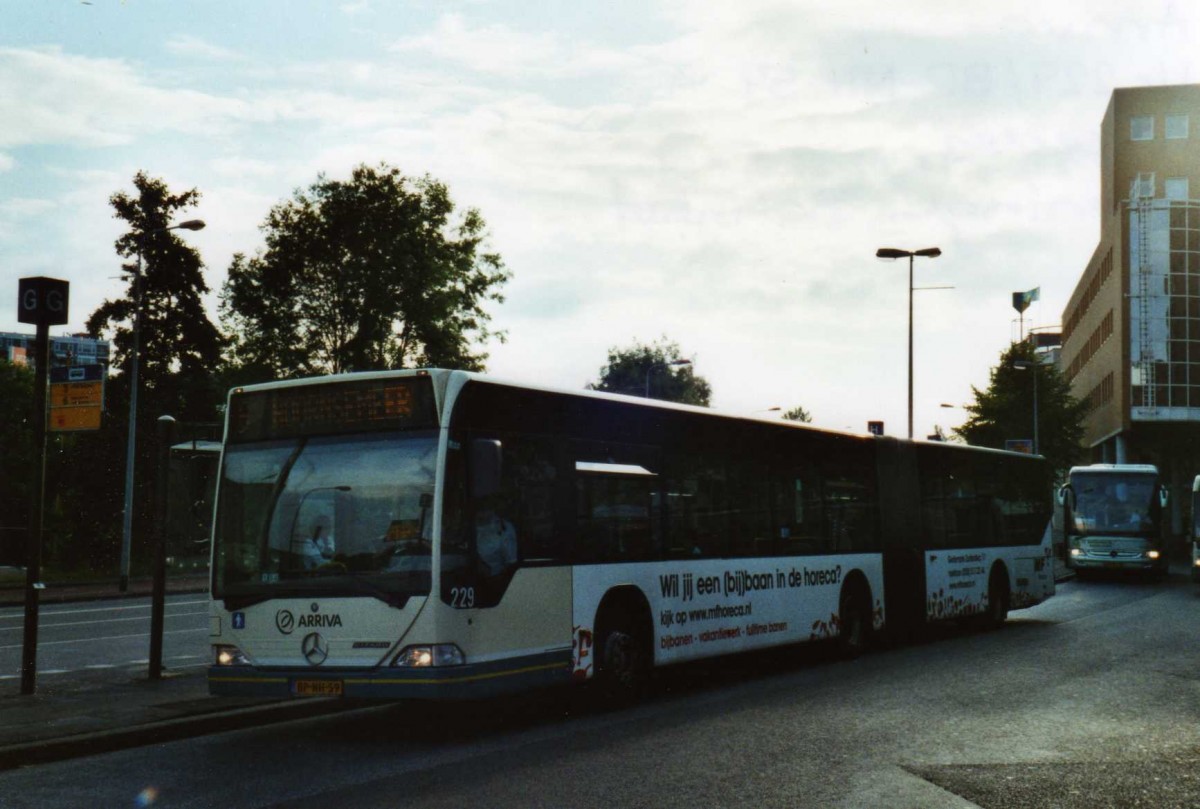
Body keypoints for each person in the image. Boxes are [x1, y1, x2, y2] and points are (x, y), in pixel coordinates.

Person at [475, 498, 517, 576]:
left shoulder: (505, 528)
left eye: (486, 508)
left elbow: (511, 563)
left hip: (494, 578)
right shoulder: (466, 525)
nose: (482, 513)